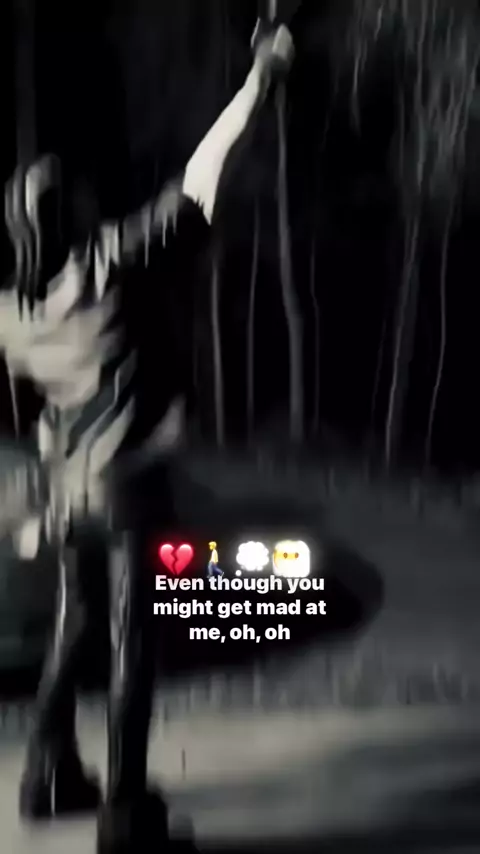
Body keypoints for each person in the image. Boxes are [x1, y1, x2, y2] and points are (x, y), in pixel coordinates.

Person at [0, 21, 294, 854]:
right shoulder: (112, 262)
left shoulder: (11, 315)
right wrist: (259, 82)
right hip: (128, 487)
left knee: (75, 627)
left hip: (70, 495)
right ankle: (127, 814)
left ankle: (46, 775)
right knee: (132, 639)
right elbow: (204, 176)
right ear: (72, 213)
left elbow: (34, 407)